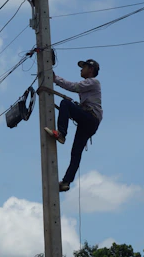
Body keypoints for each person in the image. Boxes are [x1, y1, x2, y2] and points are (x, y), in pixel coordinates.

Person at [43, 59, 103, 192]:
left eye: (84, 67)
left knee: (65, 103)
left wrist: (55, 79)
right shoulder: (90, 84)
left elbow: (74, 87)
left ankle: (62, 133)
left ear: (91, 70)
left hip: (90, 118)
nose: (81, 70)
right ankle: (66, 182)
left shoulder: (93, 82)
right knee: (75, 153)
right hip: (89, 121)